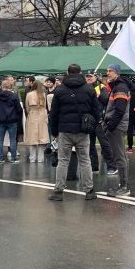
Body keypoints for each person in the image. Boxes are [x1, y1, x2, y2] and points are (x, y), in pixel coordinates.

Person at [47, 63, 100, 201]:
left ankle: (58, 191)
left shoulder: (60, 90)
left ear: (67, 72)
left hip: (65, 130)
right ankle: (89, 190)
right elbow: (96, 110)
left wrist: (54, 131)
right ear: (80, 72)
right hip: (83, 130)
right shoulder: (89, 89)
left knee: (63, 161)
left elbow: (54, 113)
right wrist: (92, 126)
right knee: (85, 160)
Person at [104, 64, 132, 195]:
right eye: (107, 71)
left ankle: (124, 187)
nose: (108, 73)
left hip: (117, 126)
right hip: (117, 125)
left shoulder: (120, 88)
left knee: (119, 156)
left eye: (110, 71)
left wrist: (110, 125)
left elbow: (119, 110)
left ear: (117, 73)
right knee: (119, 156)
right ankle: (123, 185)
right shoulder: (118, 86)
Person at [0, 78, 23, 162]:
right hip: (12, 120)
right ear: (10, 86)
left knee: (0, 139)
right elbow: (19, 109)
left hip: (0, 120)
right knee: (12, 139)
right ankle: (13, 158)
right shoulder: (14, 96)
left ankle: (0, 158)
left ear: (2, 87)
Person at [24, 79, 50, 163]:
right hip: (42, 115)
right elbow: (45, 106)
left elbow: (27, 107)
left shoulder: (29, 94)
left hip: (32, 114)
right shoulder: (43, 94)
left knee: (32, 137)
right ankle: (40, 158)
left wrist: (30, 112)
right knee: (42, 137)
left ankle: (32, 158)